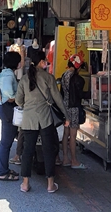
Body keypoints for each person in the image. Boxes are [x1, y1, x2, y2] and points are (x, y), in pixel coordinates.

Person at [15, 50, 69, 194]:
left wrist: (28, 104)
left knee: (27, 151)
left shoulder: (25, 79)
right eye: (45, 60)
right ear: (41, 62)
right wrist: (66, 116)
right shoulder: (48, 77)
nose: (46, 63)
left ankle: (25, 184)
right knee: (48, 150)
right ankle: (50, 184)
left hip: (29, 120)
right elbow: (57, 98)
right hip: (45, 119)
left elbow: (18, 100)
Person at [0, 51, 21, 181]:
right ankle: (3, 172)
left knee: (6, 142)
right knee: (6, 143)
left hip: (5, 109)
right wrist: (16, 97)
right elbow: (10, 96)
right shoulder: (8, 75)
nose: (20, 63)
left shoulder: (7, 73)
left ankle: (4, 169)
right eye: (19, 61)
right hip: (8, 110)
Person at [60, 54, 86, 169]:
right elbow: (79, 95)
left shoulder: (64, 75)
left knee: (66, 134)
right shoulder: (78, 79)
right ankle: (74, 161)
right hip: (74, 108)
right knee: (73, 135)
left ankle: (65, 159)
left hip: (65, 107)